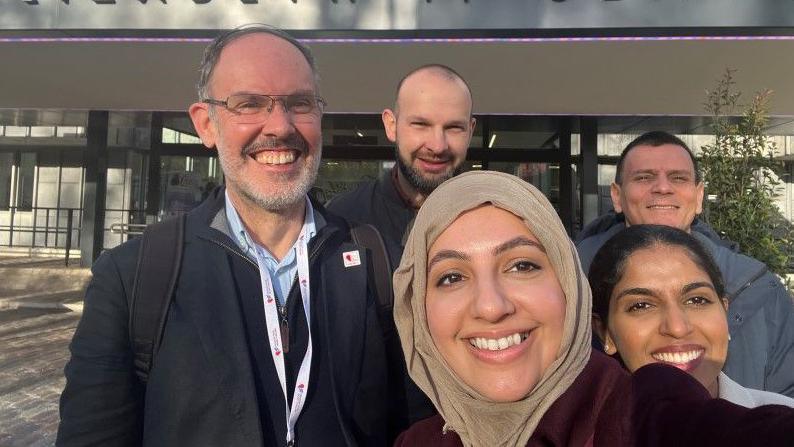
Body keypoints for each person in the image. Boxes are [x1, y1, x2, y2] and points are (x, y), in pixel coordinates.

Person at [58, 25, 392, 446]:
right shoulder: (132, 279)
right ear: (206, 125)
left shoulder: (372, 265)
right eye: (249, 104)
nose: (280, 126)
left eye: (299, 103)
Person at [392, 170, 794, 447]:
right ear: (417, 314)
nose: (491, 306)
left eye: (522, 265)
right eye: (450, 277)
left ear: (570, 288)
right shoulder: (420, 442)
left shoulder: (636, 413)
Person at [576, 130, 794, 397]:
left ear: (699, 196)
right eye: (644, 177)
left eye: (678, 178)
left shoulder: (760, 288)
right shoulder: (569, 288)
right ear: (617, 196)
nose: (663, 187)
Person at [590, 224, 794, 408]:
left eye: (697, 300)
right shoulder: (580, 436)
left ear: (724, 310)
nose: (677, 328)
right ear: (604, 332)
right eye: (642, 305)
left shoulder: (782, 423)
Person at [327, 64, 476, 268]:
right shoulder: (342, 218)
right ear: (391, 126)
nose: (438, 145)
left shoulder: (494, 219)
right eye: (421, 125)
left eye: (454, 127)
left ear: (470, 131)